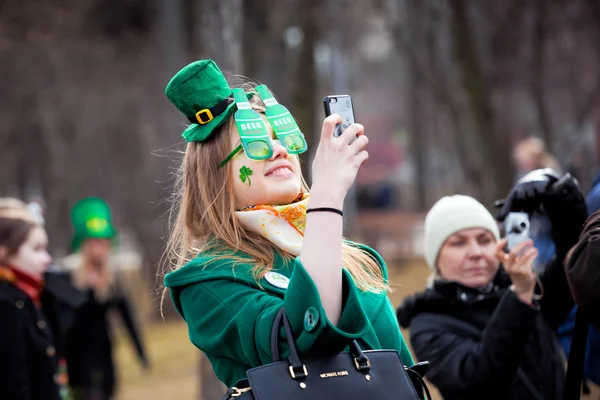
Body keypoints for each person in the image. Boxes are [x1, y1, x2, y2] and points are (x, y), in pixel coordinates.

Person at [161, 59, 414, 390]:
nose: (279, 150)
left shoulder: (358, 260)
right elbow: (307, 338)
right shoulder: (207, 280)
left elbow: (406, 377)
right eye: (254, 143)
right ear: (216, 176)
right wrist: (326, 198)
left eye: (282, 138)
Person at [396, 172, 587, 400]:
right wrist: (519, 296)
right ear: (435, 259)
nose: (476, 253)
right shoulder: (427, 323)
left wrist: (559, 194)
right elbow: (478, 378)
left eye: (485, 240)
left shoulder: (529, 291)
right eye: (458, 243)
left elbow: (575, 255)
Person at [63, 197, 149, 400]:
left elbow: (127, 316)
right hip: (78, 359)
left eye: (103, 242)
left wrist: (140, 352)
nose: (99, 248)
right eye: (94, 242)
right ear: (84, 245)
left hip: (104, 354)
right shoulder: (70, 278)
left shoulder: (112, 279)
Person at [0, 198, 60, 400]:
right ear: (4, 251)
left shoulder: (26, 295)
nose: (47, 259)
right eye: (36, 249)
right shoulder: (7, 305)